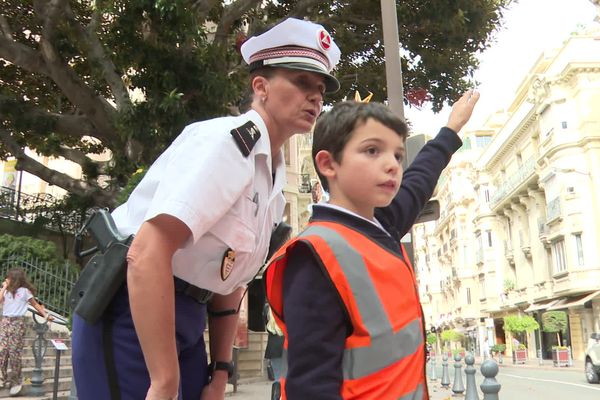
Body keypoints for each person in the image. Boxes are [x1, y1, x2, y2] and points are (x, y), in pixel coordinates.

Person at [71, 17, 342, 400]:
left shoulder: (272, 181)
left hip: (187, 321)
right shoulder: (227, 145)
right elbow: (146, 253)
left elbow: (230, 283)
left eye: (320, 88)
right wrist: (164, 381)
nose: (315, 97)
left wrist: (220, 373)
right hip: (131, 314)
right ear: (260, 87)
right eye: (301, 83)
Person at [265, 92, 479, 400]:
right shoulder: (315, 254)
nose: (392, 165)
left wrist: (451, 129)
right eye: (372, 150)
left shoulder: (381, 228)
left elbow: (419, 180)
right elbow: (310, 386)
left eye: (397, 155)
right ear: (328, 164)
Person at [0, 268, 52, 396]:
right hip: (5, 321)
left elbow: (35, 305)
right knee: (2, 351)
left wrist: (45, 315)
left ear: (15, 278)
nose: (7, 279)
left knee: (14, 352)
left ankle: (16, 381)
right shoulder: (6, 291)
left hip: (17, 323)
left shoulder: (24, 292)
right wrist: (4, 287)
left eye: (9, 278)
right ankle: (3, 378)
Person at [264, 304, 284, 400]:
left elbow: (265, 323)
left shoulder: (268, 309)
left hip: (273, 347)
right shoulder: (286, 306)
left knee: (277, 378)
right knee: (285, 377)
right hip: (285, 344)